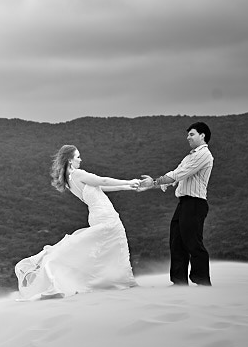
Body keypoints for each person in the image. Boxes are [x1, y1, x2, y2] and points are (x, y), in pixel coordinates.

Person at [15, 145, 140, 300]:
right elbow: (103, 180)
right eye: (78, 157)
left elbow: (100, 187)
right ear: (70, 160)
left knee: (106, 247)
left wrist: (127, 186)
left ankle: (116, 280)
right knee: (115, 244)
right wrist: (130, 180)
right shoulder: (79, 174)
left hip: (96, 214)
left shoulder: (69, 180)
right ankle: (121, 281)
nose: (80, 159)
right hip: (105, 214)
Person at [138, 122, 214, 286]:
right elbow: (174, 178)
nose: (188, 137)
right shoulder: (190, 156)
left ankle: (203, 282)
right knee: (177, 242)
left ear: (202, 135)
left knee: (193, 242)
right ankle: (179, 282)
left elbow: (178, 174)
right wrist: (153, 185)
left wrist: (154, 182)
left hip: (195, 203)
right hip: (184, 203)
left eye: (192, 134)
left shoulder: (204, 154)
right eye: (187, 135)